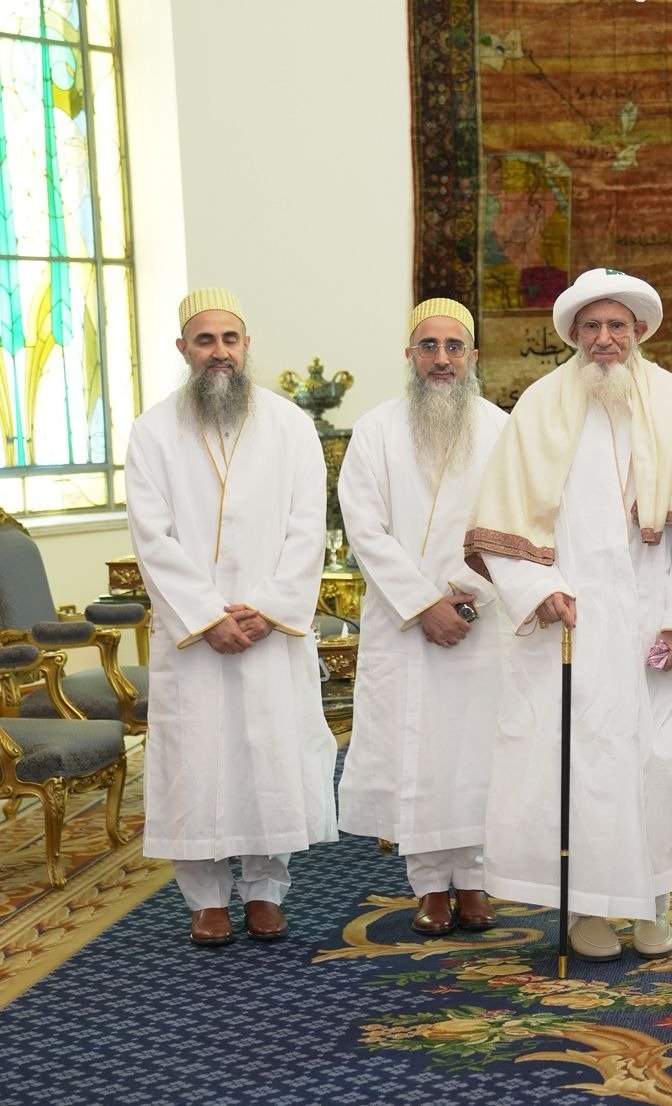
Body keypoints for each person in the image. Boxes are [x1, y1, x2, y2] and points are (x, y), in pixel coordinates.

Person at [463, 268, 672, 962]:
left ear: (639, 331)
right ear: (573, 335)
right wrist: (538, 588)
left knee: (662, 762)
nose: (605, 339)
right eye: (591, 326)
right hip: (574, 624)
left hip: (655, 623)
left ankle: (656, 902)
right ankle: (587, 907)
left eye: (617, 325)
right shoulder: (539, 406)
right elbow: (501, 524)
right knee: (580, 766)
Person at [124, 288, 337, 946]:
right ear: (183, 348)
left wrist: (268, 608)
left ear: (247, 346)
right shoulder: (153, 431)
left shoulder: (290, 425)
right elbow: (151, 537)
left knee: (269, 758)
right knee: (196, 764)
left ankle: (266, 890)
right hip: (194, 636)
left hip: (270, 631)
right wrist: (206, 616)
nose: (220, 352)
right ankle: (206, 899)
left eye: (230, 339)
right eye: (205, 340)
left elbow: (308, 527)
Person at [336, 298, 509, 936]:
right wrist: (423, 604)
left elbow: (516, 524)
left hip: (480, 620)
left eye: (454, 347)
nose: (442, 359)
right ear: (409, 355)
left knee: (476, 753)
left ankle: (475, 878)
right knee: (418, 756)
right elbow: (365, 529)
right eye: (429, 347)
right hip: (404, 622)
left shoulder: (503, 430)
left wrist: (464, 597)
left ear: (473, 356)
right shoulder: (375, 430)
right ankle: (429, 886)